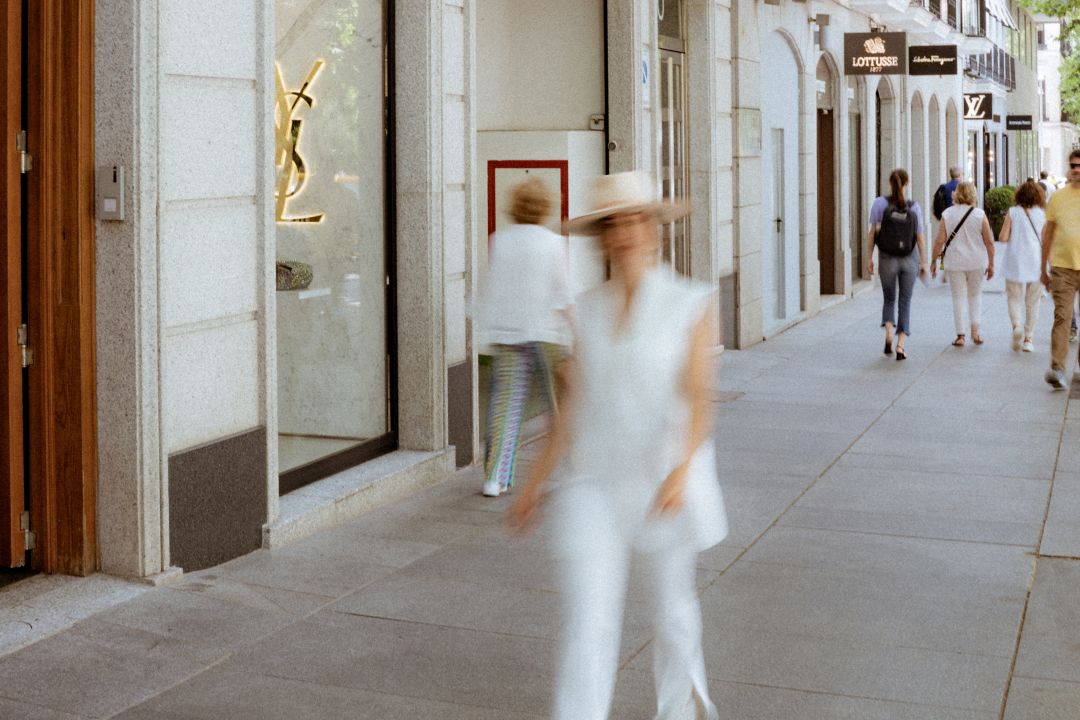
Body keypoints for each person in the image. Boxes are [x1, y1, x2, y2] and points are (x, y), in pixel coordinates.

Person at [509, 171, 726, 720]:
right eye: (615, 223)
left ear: (655, 230)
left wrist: (682, 469)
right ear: (603, 236)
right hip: (594, 486)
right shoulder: (582, 312)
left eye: (636, 220)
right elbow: (571, 413)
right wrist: (533, 484)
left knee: (672, 615)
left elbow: (701, 397)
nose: (627, 232)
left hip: (661, 481)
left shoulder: (690, 302)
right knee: (589, 617)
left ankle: (681, 711)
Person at [476, 177, 571, 496]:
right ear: (545, 207)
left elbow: (492, 288)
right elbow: (562, 292)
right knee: (557, 405)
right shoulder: (554, 243)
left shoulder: (498, 241)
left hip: (508, 333)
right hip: (545, 333)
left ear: (514, 206)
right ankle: (572, 469)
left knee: (505, 407)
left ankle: (494, 478)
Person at [866, 168, 929, 361]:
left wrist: (869, 257)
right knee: (905, 301)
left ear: (890, 183)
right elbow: (920, 238)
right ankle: (901, 345)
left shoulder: (879, 204)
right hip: (909, 259)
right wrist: (924, 262)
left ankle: (888, 332)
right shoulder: (914, 207)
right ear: (907, 184)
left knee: (889, 298)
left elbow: (872, 234)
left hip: (887, 258)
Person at [930, 181, 995, 346]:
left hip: (955, 262)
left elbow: (939, 241)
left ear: (956, 194)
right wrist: (992, 263)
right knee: (975, 295)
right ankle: (976, 332)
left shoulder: (947, 213)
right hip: (977, 262)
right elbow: (989, 242)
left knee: (958, 298)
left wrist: (932, 261)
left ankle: (960, 335)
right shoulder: (980, 215)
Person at [1040, 149, 1080, 389]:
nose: (1077, 169)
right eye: (1074, 165)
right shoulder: (1058, 197)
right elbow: (1049, 232)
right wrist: (1042, 267)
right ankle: (1057, 368)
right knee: (1063, 316)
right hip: (1062, 267)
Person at [998, 181, 1047, 352]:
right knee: (1033, 302)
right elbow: (1047, 241)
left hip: (1015, 260)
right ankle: (1028, 338)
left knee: (1014, 297)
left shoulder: (1013, 212)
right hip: (1036, 261)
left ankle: (1017, 325)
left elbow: (1003, 237)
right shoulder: (1043, 214)